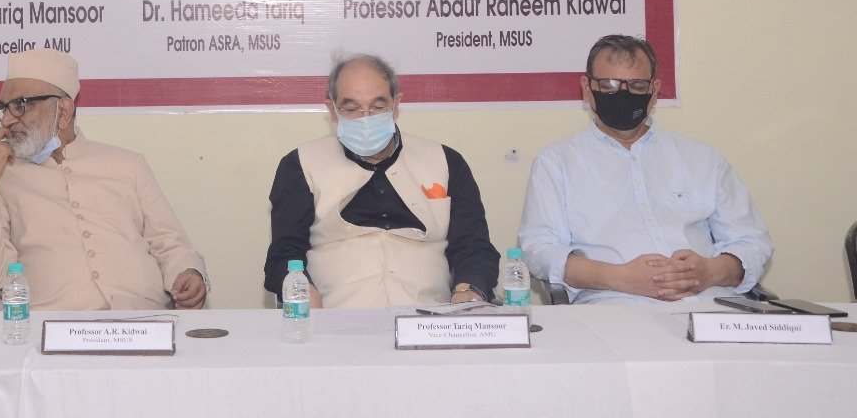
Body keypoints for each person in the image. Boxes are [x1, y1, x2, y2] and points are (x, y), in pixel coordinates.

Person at [518, 34, 774, 303]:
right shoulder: (557, 162)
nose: (623, 94)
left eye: (638, 85)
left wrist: (710, 271)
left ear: (654, 91)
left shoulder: (704, 158)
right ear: (587, 88)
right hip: (615, 309)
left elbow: (753, 241)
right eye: (609, 85)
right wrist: (621, 277)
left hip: (710, 306)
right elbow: (538, 251)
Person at [0, 48, 208, 310]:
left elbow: (170, 243)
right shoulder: (2, 177)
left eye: (21, 105)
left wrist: (187, 272)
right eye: (4, 108)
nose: (8, 119)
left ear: (64, 111)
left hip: (139, 322)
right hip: (48, 328)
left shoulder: (127, 164)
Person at [264, 53, 499, 308]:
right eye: (352, 109)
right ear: (332, 110)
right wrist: (302, 290)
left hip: (430, 318)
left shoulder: (446, 161)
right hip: (334, 319)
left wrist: (468, 289)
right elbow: (284, 254)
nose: (366, 118)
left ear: (396, 105)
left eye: (377, 107)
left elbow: (473, 246)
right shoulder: (300, 164)